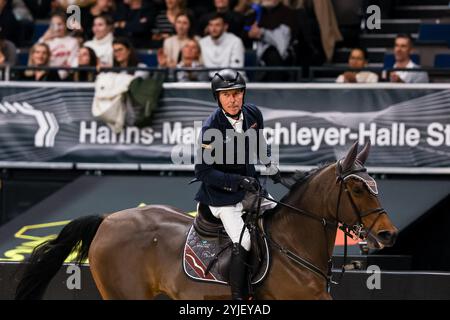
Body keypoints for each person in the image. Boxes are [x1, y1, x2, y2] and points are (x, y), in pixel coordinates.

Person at [194, 69, 281, 300]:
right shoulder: (210, 128)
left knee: (280, 218)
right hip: (221, 197)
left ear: (243, 94)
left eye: (237, 93)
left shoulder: (253, 114)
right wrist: (237, 181)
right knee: (242, 240)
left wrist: (272, 166)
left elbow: (260, 145)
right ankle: (238, 296)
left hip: (250, 188)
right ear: (218, 98)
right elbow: (203, 171)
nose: (233, 100)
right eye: (226, 95)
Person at [199, 13, 245, 79]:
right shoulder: (202, 42)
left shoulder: (235, 41)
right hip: (208, 81)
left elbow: (236, 70)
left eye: (217, 25)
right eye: (211, 25)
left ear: (225, 26)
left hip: (231, 81)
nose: (213, 29)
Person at [38, 11, 79, 79]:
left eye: (59, 24)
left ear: (66, 25)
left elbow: (71, 63)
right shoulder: (46, 41)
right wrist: (43, 39)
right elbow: (34, 56)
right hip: (45, 76)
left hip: (63, 78)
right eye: (53, 25)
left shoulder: (73, 42)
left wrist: (57, 76)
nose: (56, 28)